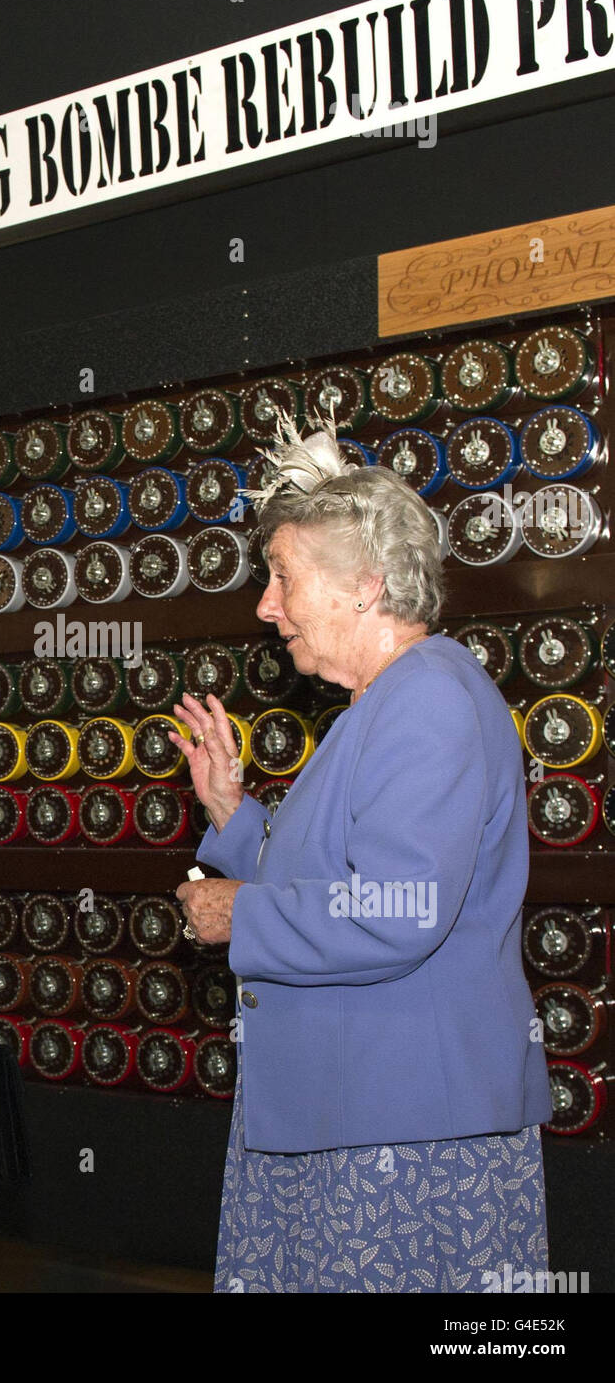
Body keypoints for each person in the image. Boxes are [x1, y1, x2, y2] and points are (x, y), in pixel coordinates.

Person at [172, 420, 552, 1294]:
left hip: (398, 1128)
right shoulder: (390, 707)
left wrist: (242, 912)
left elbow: (398, 910)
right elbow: (338, 884)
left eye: (283, 578)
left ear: (366, 587)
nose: (267, 607)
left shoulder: (428, 702)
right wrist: (230, 814)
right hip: (359, 1112)